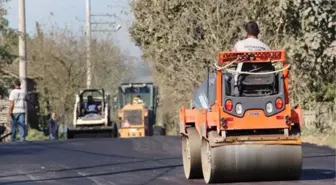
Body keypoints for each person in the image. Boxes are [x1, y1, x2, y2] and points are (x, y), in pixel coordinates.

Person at [231, 21, 271, 96]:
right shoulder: (266, 47)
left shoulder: (239, 44)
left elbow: (231, 60)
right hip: (265, 85)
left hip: (242, 85)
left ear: (246, 33)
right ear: (258, 33)